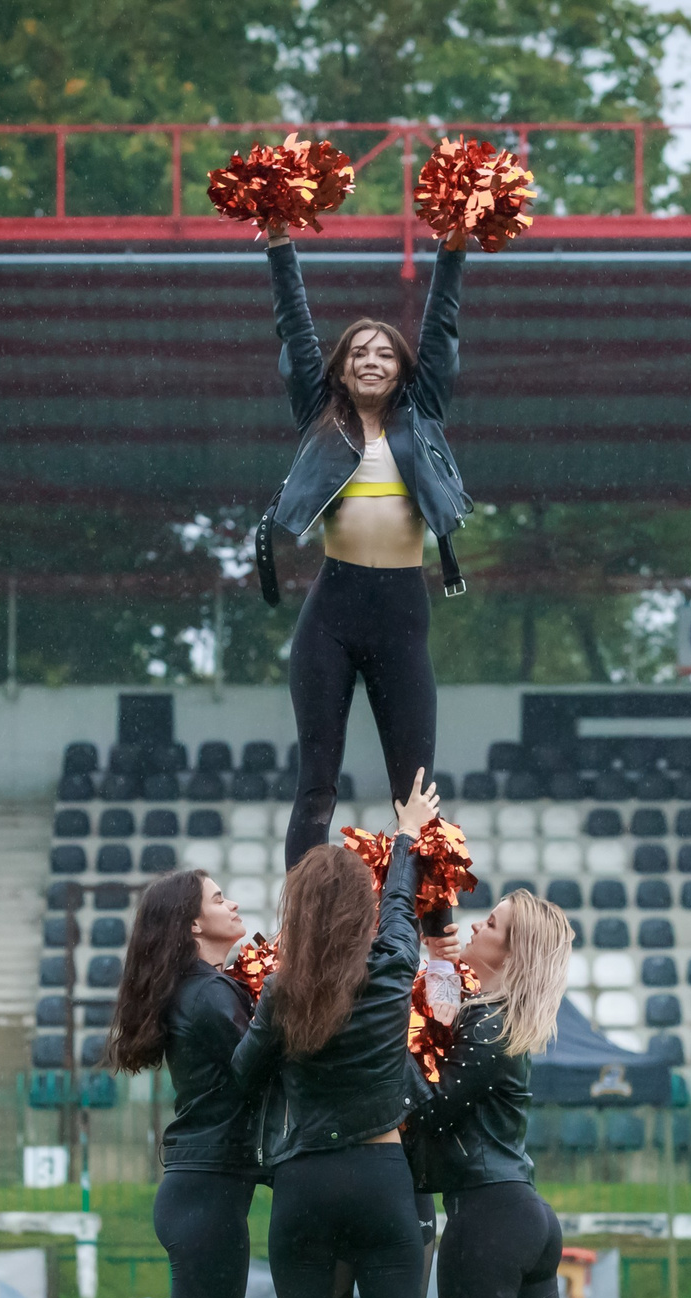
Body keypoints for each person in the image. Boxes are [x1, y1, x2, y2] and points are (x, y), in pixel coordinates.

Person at [233, 768, 446, 1298]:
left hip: (302, 1190)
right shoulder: (392, 964)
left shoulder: (285, 989)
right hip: (382, 1179)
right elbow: (400, 907)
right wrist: (404, 834)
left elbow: (241, 1072)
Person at [406, 889, 632, 1298]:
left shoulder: (490, 1026)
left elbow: (425, 1107)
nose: (477, 923)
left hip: (488, 1216)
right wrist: (434, 972)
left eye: (493, 922)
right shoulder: (495, 1018)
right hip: (521, 1213)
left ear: (510, 950)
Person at [262, 218, 470, 940]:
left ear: (403, 368)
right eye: (359, 352)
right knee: (315, 784)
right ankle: (298, 928)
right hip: (332, 613)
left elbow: (441, 323)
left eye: (386, 352)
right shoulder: (318, 418)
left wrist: (453, 245)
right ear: (342, 369)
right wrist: (279, 245)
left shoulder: (426, 415)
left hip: (402, 617)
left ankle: (438, 932)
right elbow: (295, 327)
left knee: (416, 792)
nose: (373, 360)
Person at [107, 867, 273, 1298]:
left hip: (201, 1188)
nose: (233, 903)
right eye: (218, 897)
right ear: (192, 923)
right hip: (206, 1193)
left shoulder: (202, 989)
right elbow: (256, 1075)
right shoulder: (206, 995)